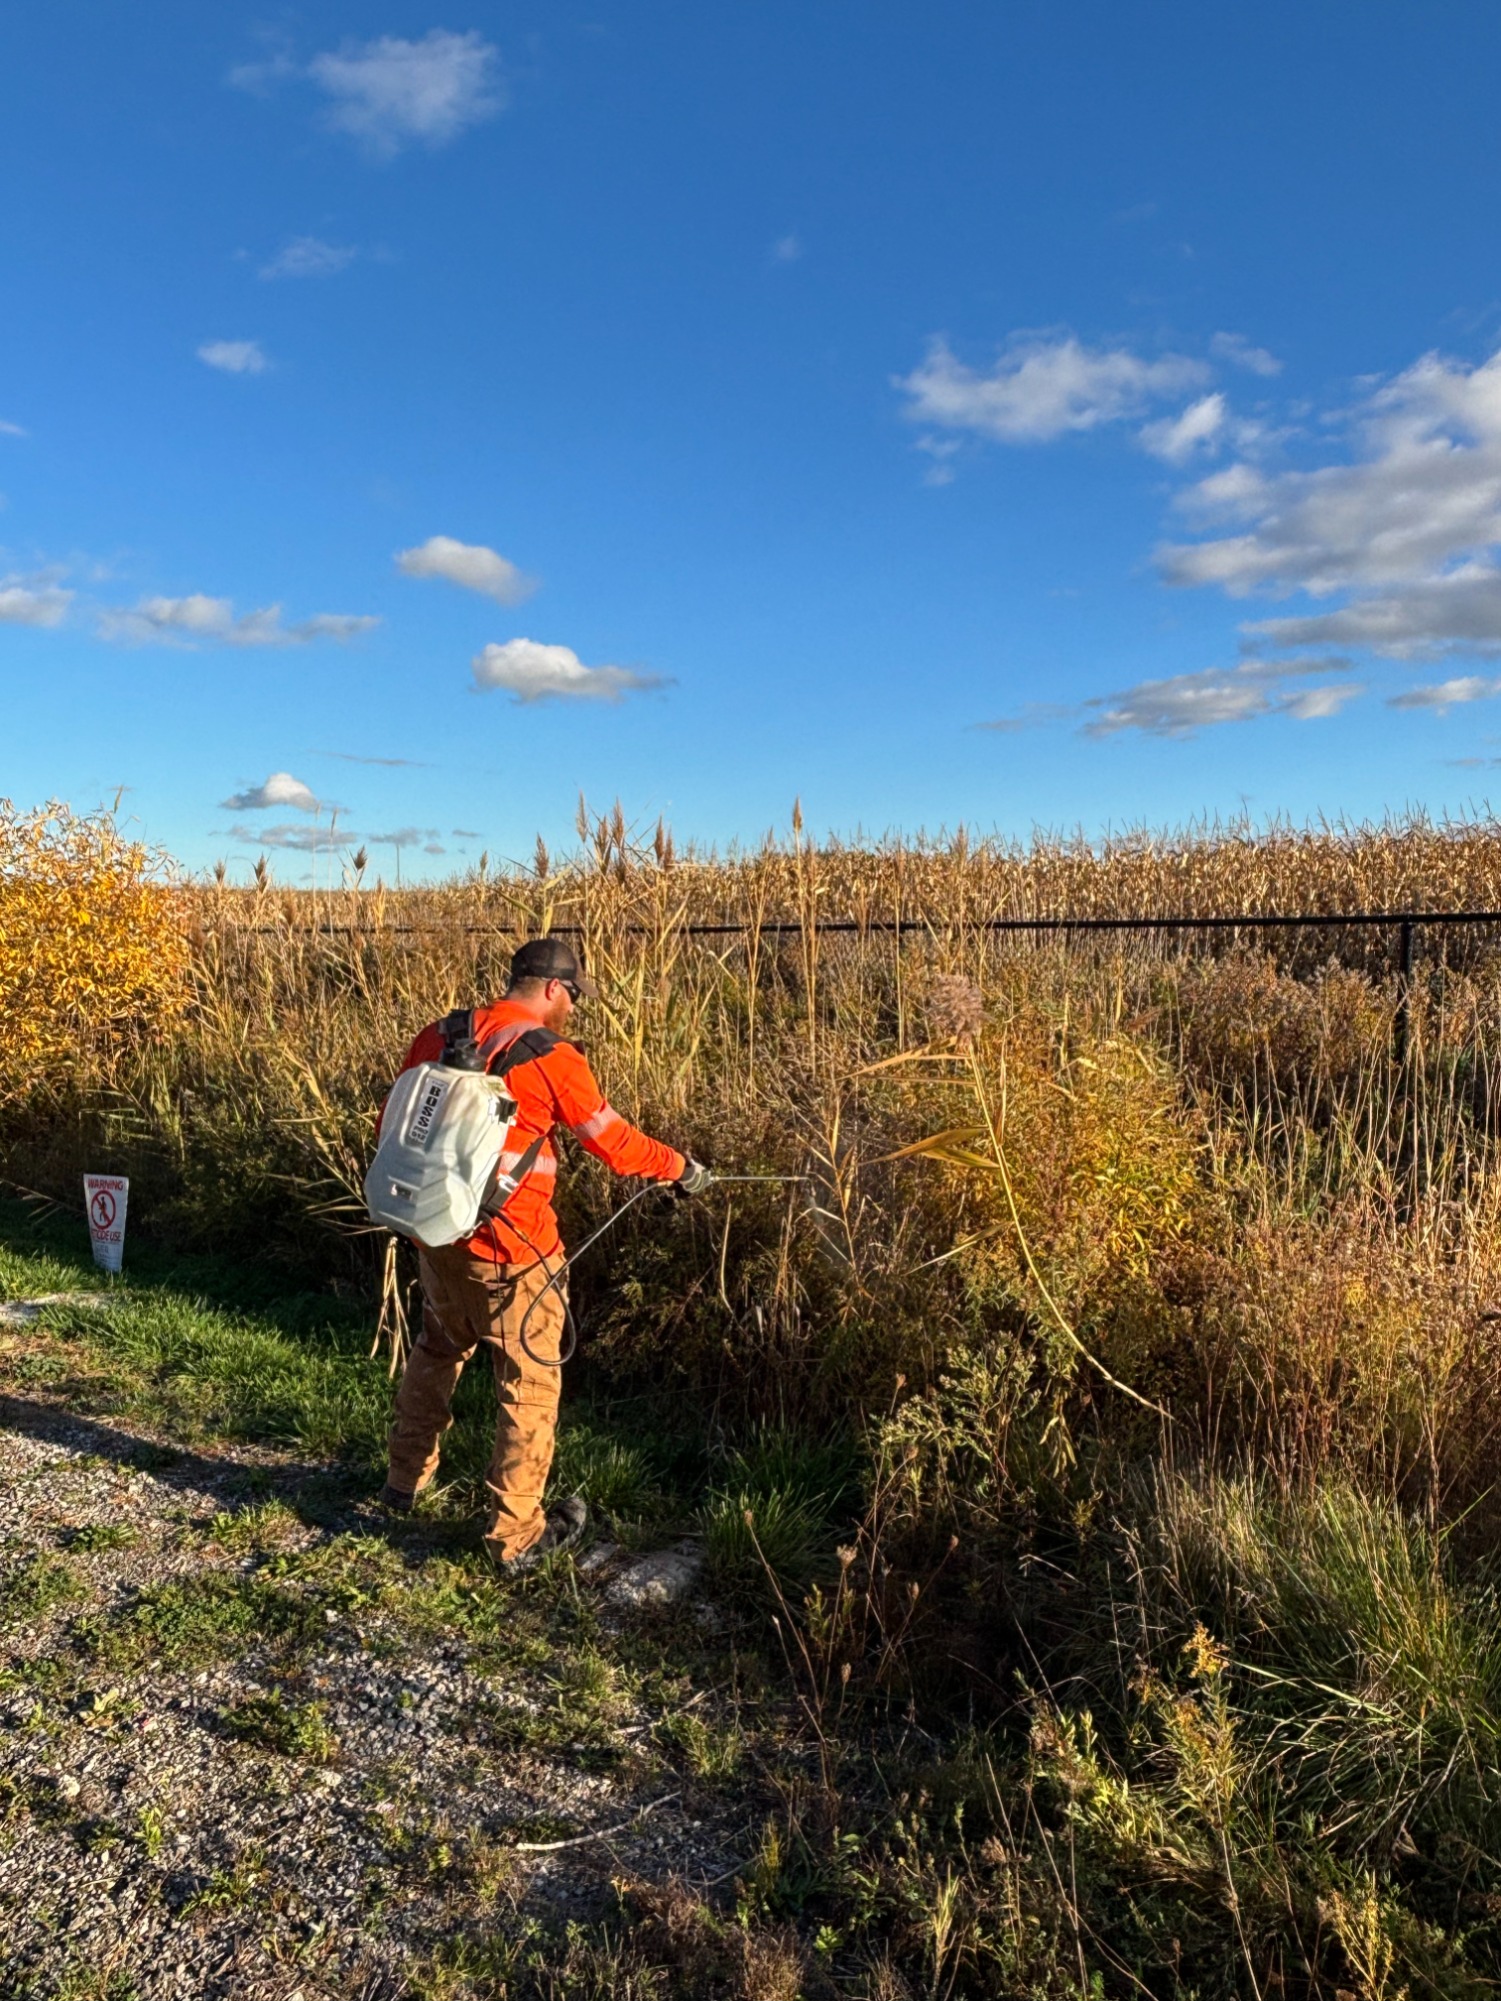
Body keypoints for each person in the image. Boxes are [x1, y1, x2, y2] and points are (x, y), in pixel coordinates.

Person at [380, 936, 708, 1570]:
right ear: (554, 990)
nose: (572, 1012)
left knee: (438, 1349)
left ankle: (403, 1481)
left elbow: (392, 1129)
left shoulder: (439, 1033)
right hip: (514, 1252)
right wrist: (680, 1168)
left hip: (437, 1238)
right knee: (527, 1385)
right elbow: (614, 1143)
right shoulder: (552, 1056)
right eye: (572, 999)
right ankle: (516, 1536)